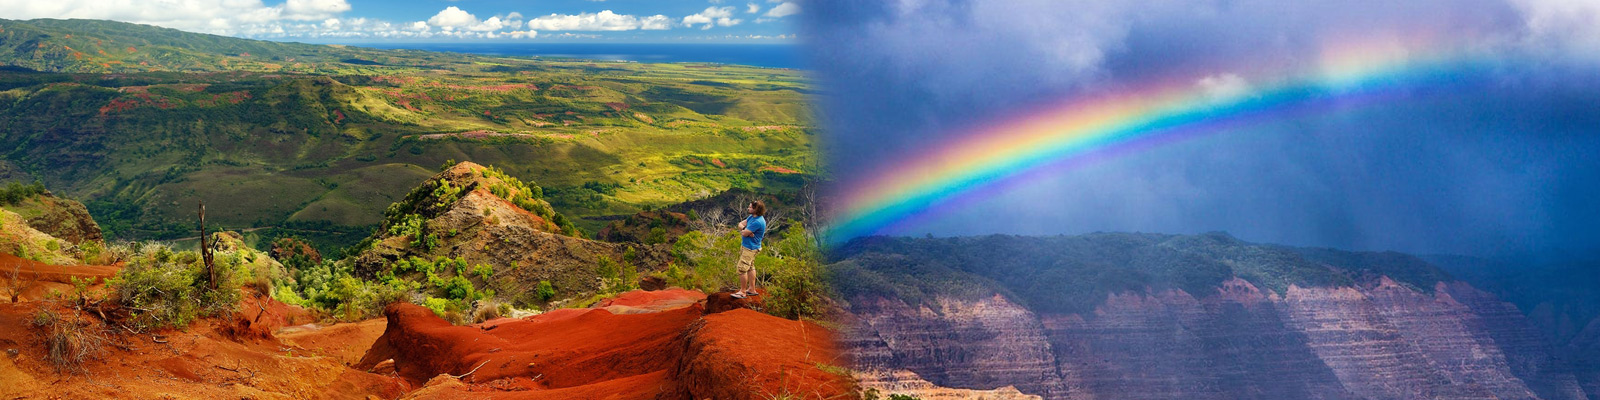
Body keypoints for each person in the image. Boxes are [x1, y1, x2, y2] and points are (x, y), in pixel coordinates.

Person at [732, 201, 767, 299]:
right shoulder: (752, 217)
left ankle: (742, 292)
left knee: (742, 268)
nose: (748, 208)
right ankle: (751, 289)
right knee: (751, 267)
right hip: (748, 246)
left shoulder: (757, 221)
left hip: (750, 248)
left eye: (750, 207)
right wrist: (745, 229)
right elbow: (740, 224)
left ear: (756, 209)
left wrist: (745, 231)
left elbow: (743, 233)